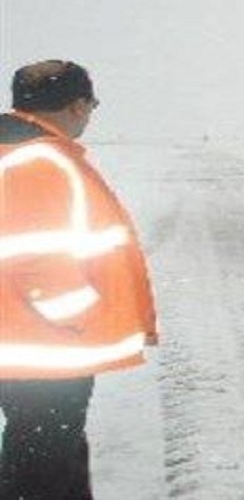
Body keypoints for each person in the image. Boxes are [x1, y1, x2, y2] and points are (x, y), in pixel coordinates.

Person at [0, 60, 158, 499]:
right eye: (92, 105)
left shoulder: (16, 152)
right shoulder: (39, 161)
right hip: (41, 342)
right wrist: (81, 318)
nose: (89, 116)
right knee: (42, 460)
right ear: (77, 105)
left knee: (47, 448)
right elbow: (36, 257)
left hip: (25, 336)